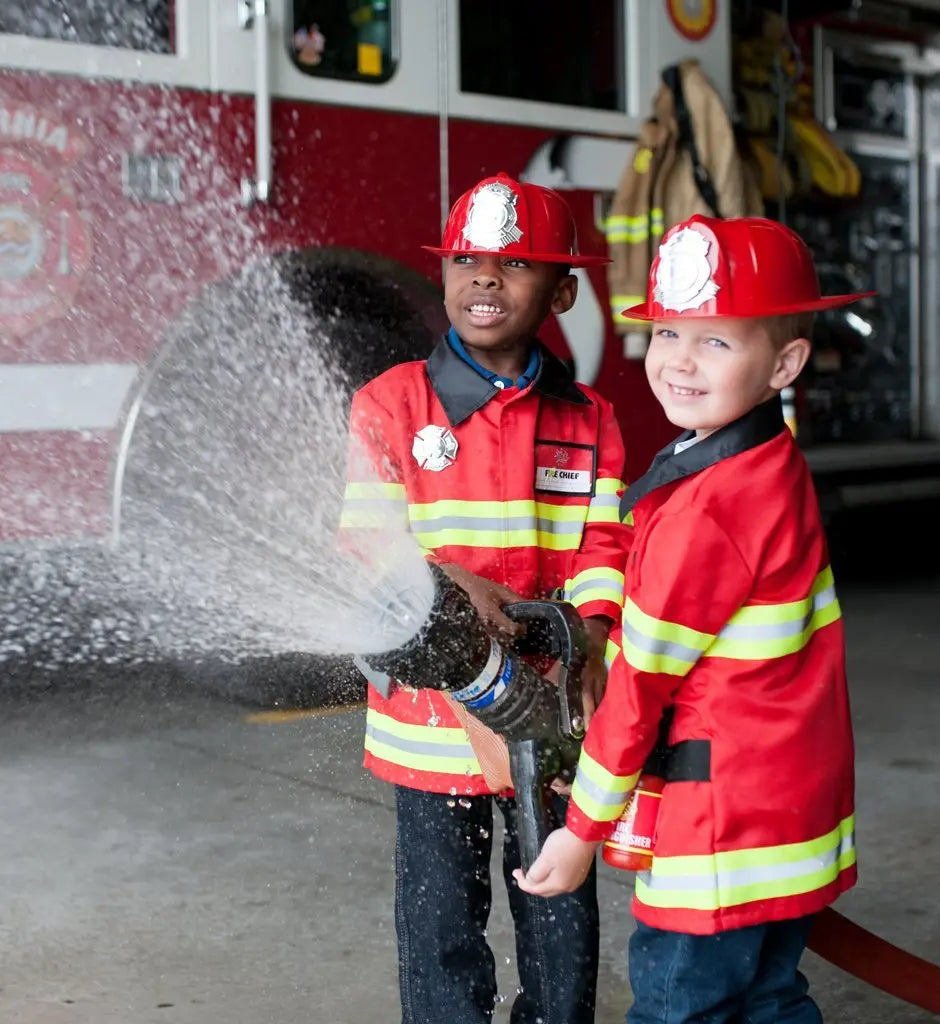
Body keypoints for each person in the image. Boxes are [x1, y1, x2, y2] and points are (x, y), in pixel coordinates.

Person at [514, 214, 866, 1024]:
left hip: (721, 832)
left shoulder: (710, 509)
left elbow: (641, 685)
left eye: (715, 342)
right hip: (788, 813)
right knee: (770, 998)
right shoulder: (766, 463)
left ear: (785, 363)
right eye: (669, 330)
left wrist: (581, 831)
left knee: (681, 1008)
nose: (678, 359)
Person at [340, 171, 630, 1024]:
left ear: (565, 289)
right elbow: (361, 544)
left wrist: (593, 644)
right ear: (444, 275)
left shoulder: (590, 418)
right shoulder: (388, 406)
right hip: (430, 731)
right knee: (440, 930)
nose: (485, 279)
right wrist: (441, 582)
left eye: (515, 263)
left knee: (559, 910)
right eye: (466, 259)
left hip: (547, 719)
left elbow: (604, 548)